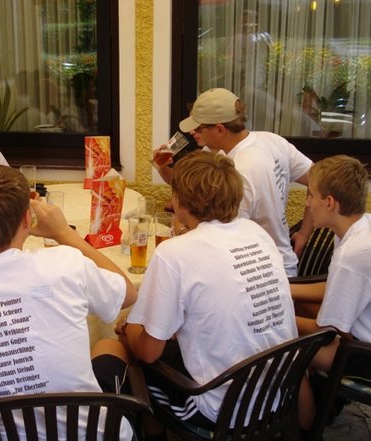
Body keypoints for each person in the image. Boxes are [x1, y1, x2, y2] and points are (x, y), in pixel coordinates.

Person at [0, 165, 138, 440]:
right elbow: (128, 295)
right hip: (93, 433)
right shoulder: (64, 261)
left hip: (0, 433)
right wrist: (64, 233)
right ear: (27, 218)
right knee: (110, 345)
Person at [116, 151, 308, 436]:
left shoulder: (174, 253)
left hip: (221, 407)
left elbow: (148, 351)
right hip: (274, 393)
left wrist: (129, 328)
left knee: (133, 363)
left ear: (180, 200)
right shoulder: (255, 233)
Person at [153, 88, 314, 276]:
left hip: (260, 272)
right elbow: (318, 181)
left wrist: (179, 227)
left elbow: (218, 240)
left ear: (220, 129)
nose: (191, 132)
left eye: (198, 128)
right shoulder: (269, 140)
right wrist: (163, 167)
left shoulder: (239, 170)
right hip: (263, 257)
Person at [291, 155, 371, 390]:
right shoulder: (367, 225)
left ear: (330, 202)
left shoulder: (353, 253)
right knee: (296, 306)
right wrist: (284, 289)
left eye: (310, 195)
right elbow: (335, 288)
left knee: (281, 346)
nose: (307, 204)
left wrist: (277, 315)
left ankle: (307, 424)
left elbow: (327, 331)